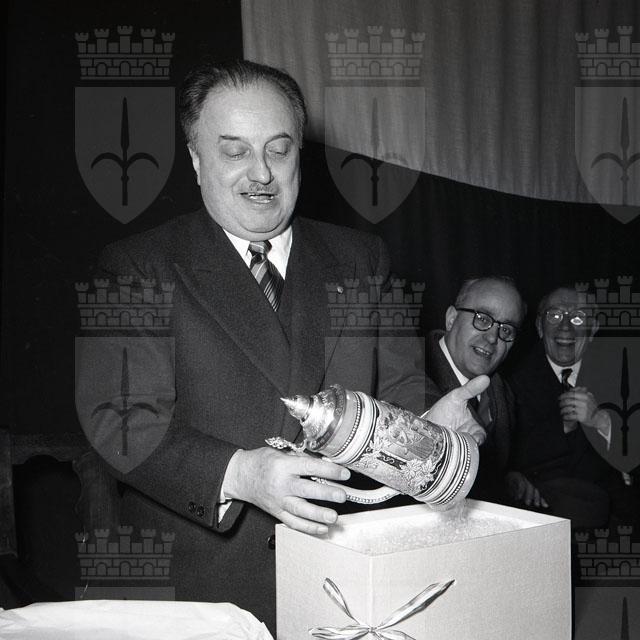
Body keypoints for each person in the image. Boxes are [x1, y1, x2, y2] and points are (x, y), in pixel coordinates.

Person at [75, 59, 487, 634]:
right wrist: (240, 474)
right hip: (199, 586)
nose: (261, 173)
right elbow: (120, 421)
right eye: (234, 152)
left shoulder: (364, 259)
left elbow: (400, 386)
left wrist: (429, 434)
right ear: (196, 158)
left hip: (342, 573)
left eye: (279, 149)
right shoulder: (135, 267)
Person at [424, 277, 544, 506]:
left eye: (506, 329)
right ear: (451, 318)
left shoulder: (503, 392)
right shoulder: (408, 375)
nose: (492, 338)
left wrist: (506, 478)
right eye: (482, 318)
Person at [509, 286, 614, 527]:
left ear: (592, 330)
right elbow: (504, 460)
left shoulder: (621, 377)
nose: (565, 327)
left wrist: (602, 421)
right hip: (541, 520)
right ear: (539, 327)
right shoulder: (511, 379)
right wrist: (562, 426)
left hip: (613, 522)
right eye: (554, 316)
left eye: (577, 318)